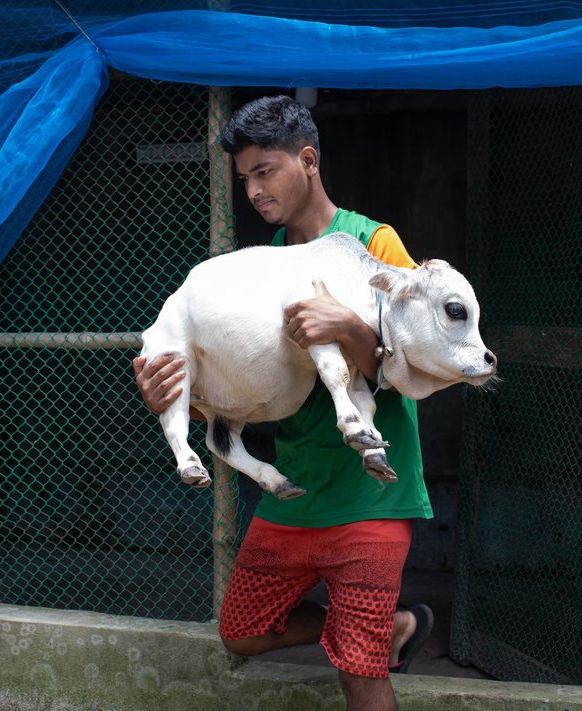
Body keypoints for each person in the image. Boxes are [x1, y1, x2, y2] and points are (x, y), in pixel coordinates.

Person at [132, 95, 433, 711]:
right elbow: (236, 391)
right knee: (242, 632)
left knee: (361, 674)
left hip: (372, 494)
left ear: (308, 159)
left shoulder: (376, 243)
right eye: (244, 179)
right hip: (294, 491)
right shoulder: (257, 267)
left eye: (265, 171)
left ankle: (371, 637)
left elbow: (421, 363)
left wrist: (349, 328)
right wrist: (173, 397)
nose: (254, 190)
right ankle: (392, 627)